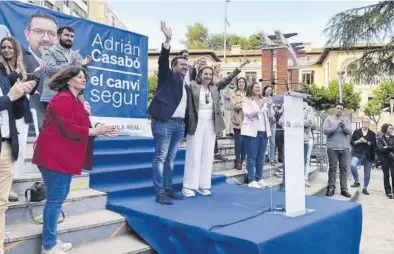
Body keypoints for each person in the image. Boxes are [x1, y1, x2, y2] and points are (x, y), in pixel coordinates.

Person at [32, 67, 117, 254]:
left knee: (58, 199)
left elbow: (82, 124)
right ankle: (48, 245)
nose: (83, 79)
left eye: (84, 77)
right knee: (55, 201)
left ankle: (51, 238)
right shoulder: (62, 98)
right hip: (53, 157)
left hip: (63, 157)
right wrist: (96, 131)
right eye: (79, 77)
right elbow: (70, 128)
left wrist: (98, 125)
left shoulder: (75, 100)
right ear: (68, 80)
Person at [182, 60, 250, 197]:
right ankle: (188, 186)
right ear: (200, 75)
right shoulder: (192, 86)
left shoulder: (214, 88)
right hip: (196, 124)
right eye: (205, 74)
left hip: (210, 125)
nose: (208, 76)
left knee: (207, 155)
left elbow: (227, 79)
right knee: (193, 155)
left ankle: (203, 185)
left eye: (210, 74)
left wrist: (240, 67)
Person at [147, 21, 188, 205]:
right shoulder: (167, 75)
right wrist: (168, 40)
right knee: (161, 157)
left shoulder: (184, 83)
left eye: (186, 65)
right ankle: (159, 192)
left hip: (179, 124)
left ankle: (169, 188)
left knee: (171, 158)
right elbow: (163, 61)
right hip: (164, 122)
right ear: (174, 66)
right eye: (181, 64)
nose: (185, 66)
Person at [0, 36, 40, 201]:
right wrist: (18, 78)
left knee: (19, 151)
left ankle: (10, 185)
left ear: (16, 49)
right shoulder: (1, 67)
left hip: (22, 112)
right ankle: (5, 189)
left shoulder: (21, 66)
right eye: (4, 47)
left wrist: (31, 84)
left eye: (10, 47)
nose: (7, 50)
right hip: (7, 114)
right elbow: (8, 87)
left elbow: (26, 91)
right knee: (8, 151)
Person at [0, 70, 36, 254]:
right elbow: (6, 101)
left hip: (6, 147)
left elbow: (16, 114)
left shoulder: (5, 80)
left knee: (1, 205)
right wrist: (8, 98)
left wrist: (22, 94)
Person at [23, 13, 59, 130]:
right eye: (39, 31)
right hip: (29, 137)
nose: (46, 39)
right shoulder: (15, 62)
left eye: (51, 34)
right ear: (27, 34)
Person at [41, 26, 92, 108]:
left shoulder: (77, 55)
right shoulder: (49, 52)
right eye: (66, 35)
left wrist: (84, 66)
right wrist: (70, 63)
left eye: (72, 36)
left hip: (75, 98)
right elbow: (50, 70)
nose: (69, 38)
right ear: (58, 36)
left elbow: (82, 78)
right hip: (54, 96)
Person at [242, 82, 273, 188]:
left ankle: (259, 178)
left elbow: (268, 115)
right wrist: (259, 106)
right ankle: (251, 180)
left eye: (259, 87)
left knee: (261, 157)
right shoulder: (247, 100)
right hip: (251, 132)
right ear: (251, 88)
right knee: (251, 157)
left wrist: (269, 107)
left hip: (264, 131)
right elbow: (248, 113)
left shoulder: (264, 101)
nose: (258, 89)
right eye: (256, 87)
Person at [323, 102, 352, 198]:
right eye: (337, 108)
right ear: (334, 109)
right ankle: (331, 188)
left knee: (344, 169)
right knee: (332, 168)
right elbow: (326, 131)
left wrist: (343, 125)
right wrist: (337, 125)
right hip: (332, 148)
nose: (339, 110)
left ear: (343, 110)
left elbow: (349, 131)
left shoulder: (346, 120)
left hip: (344, 148)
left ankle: (344, 189)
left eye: (341, 108)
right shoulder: (328, 119)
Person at [350, 118, 376, 195]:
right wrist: (358, 141)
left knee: (367, 173)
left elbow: (374, 144)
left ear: (369, 124)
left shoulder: (372, 133)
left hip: (369, 154)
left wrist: (366, 141)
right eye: (364, 122)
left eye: (367, 122)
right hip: (358, 153)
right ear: (362, 123)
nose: (366, 123)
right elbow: (351, 142)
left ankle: (365, 188)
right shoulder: (356, 132)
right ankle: (357, 181)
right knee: (352, 165)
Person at [231, 77, 247, 170]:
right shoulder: (234, 94)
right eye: (240, 82)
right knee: (238, 142)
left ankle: (243, 160)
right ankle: (237, 161)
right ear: (237, 84)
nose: (241, 83)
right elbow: (235, 106)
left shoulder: (248, 94)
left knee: (245, 142)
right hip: (237, 120)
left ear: (245, 83)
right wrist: (244, 103)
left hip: (247, 121)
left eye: (243, 82)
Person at [376, 123, 394, 199]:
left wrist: (387, 147)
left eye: (392, 128)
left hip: (392, 158)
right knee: (386, 175)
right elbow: (380, 149)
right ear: (386, 129)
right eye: (390, 128)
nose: (392, 130)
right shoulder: (380, 138)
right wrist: (390, 148)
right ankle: (388, 192)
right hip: (384, 159)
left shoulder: (393, 137)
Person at [262, 85, 277, 165]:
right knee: (264, 141)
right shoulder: (262, 99)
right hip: (264, 122)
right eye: (268, 90)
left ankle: (272, 158)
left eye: (270, 90)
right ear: (264, 90)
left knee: (272, 141)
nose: (269, 91)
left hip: (272, 122)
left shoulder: (273, 99)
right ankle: (263, 158)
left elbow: (276, 110)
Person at [303, 100, 315, 187]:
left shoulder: (309, 109)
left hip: (307, 138)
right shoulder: (292, 108)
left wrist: (296, 122)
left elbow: (309, 122)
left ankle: (305, 178)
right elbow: (282, 120)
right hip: (294, 138)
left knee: (306, 159)